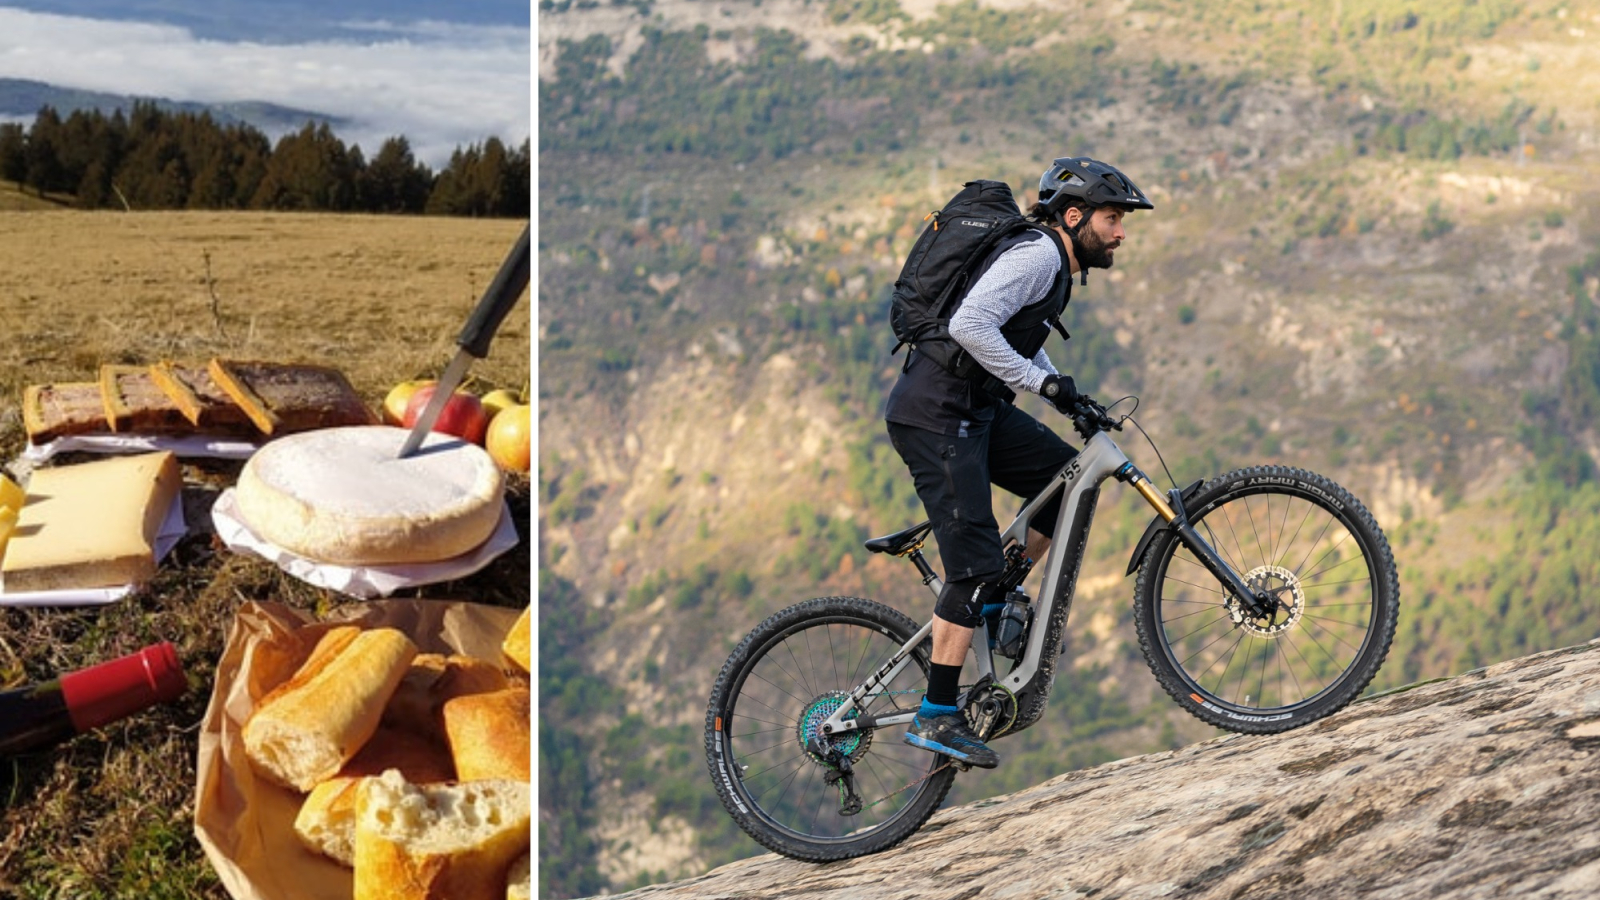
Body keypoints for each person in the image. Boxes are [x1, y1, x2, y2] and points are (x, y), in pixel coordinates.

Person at [884, 156, 1153, 768]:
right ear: (1075, 214)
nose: (1120, 233)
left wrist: (1067, 395)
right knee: (970, 567)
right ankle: (936, 715)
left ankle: (999, 592)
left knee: (1064, 484)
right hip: (935, 413)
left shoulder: (1055, 264)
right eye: (1112, 218)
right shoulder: (1038, 255)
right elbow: (972, 324)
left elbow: (1010, 336)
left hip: (975, 407)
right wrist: (1041, 384)